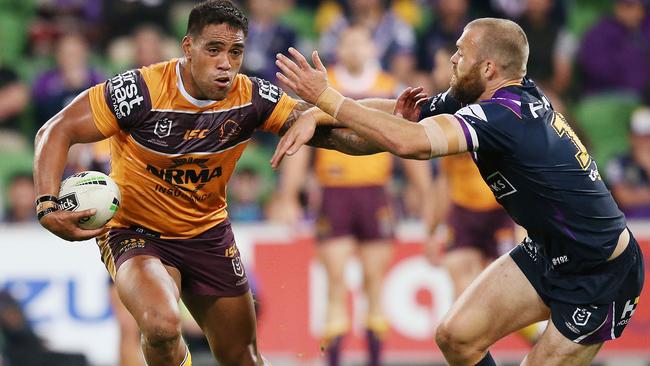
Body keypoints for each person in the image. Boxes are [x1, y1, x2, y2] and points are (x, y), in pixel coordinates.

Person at [272, 17, 644, 366]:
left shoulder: (502, 117)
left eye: (461, 52)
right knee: (456, 337)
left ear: (487, 69)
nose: (452, 58)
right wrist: (315, 113)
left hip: (600, 273)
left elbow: (410, 142)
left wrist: (328, 99)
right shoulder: (490, 99)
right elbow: (397, 117)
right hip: (548, 252)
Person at [33, 1, 326, 365]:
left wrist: (324, 110)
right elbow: (55, 130)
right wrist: (46, 205)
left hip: (206, 233)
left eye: (235, 52)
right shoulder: (140, 91)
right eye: (214, 49)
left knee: (243, 357)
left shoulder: (251, 96)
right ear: (188, 48)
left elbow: (333, 126)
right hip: (135, 231)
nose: (225, 63)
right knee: (160, 325)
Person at [274, 25, 433, 366]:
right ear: (340, 49)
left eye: (361, 42)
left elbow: (408, 137)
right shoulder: (323, 86)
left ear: (373, 49)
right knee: (335, 283)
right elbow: (305, 141)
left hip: (375, 194)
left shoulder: (389, 88)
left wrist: (425, 192)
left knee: (375, 285)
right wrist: (288, 195)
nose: (356, 49)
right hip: (334, 193)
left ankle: (373, 360)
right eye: (349, 43)